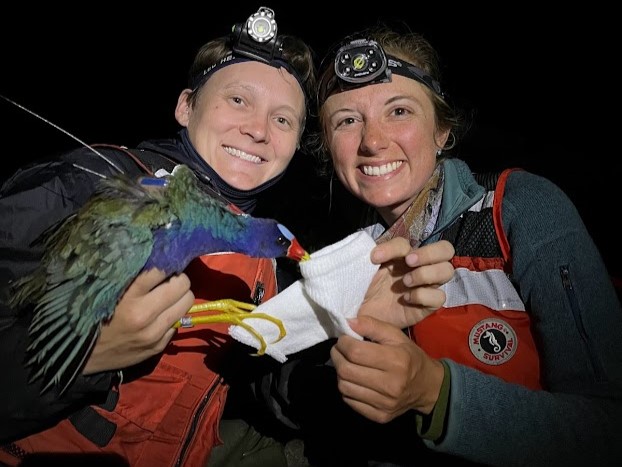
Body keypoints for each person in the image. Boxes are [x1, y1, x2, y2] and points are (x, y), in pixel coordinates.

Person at [0, 8, 455, 467]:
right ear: (185, 106)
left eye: (283, 120)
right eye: (238, 100)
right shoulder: (90, 179)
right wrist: (89, 357)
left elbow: (255, 386)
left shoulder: (265, 265)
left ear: (296, 145)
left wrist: (349, 346)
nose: (258, 130)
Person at [279, 25, 622, 466]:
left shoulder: (519, 209)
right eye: (347, 120)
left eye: (399, 111)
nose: (372, 141)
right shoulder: (333, 255)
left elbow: (609, 430)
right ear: (328, 145)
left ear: (442, 130)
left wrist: (437, 395)